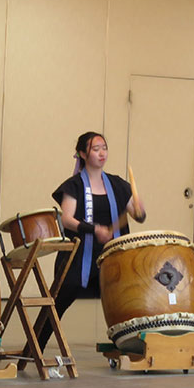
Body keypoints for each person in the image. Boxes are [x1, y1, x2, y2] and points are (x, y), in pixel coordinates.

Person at [35, 131, 145, 353]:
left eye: (104, 148)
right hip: (79, 258)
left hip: (112, 259)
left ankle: (133, 348)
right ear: (83, 154)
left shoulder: (118, 185)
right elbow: (66, 219)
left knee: (127, 302)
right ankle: (35, 347)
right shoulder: (74, 186)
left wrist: (139, 211)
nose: (102, 153)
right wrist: (94, 229)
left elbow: (137, 214)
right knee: (58, 303)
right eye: (96, 149)